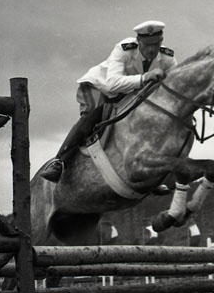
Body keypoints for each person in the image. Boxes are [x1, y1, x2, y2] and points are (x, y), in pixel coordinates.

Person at [40, 20, 178, 183]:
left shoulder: (167, 58)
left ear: (161, 41)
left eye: (156, 44)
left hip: (126, 94)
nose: (152, 50)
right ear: (138, 41)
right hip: (99, 87)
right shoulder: (124, 49)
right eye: (147, 45)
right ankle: (59, 162)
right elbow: (112, 84)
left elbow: (174, 89)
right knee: (93, 113)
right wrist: (144, 78)